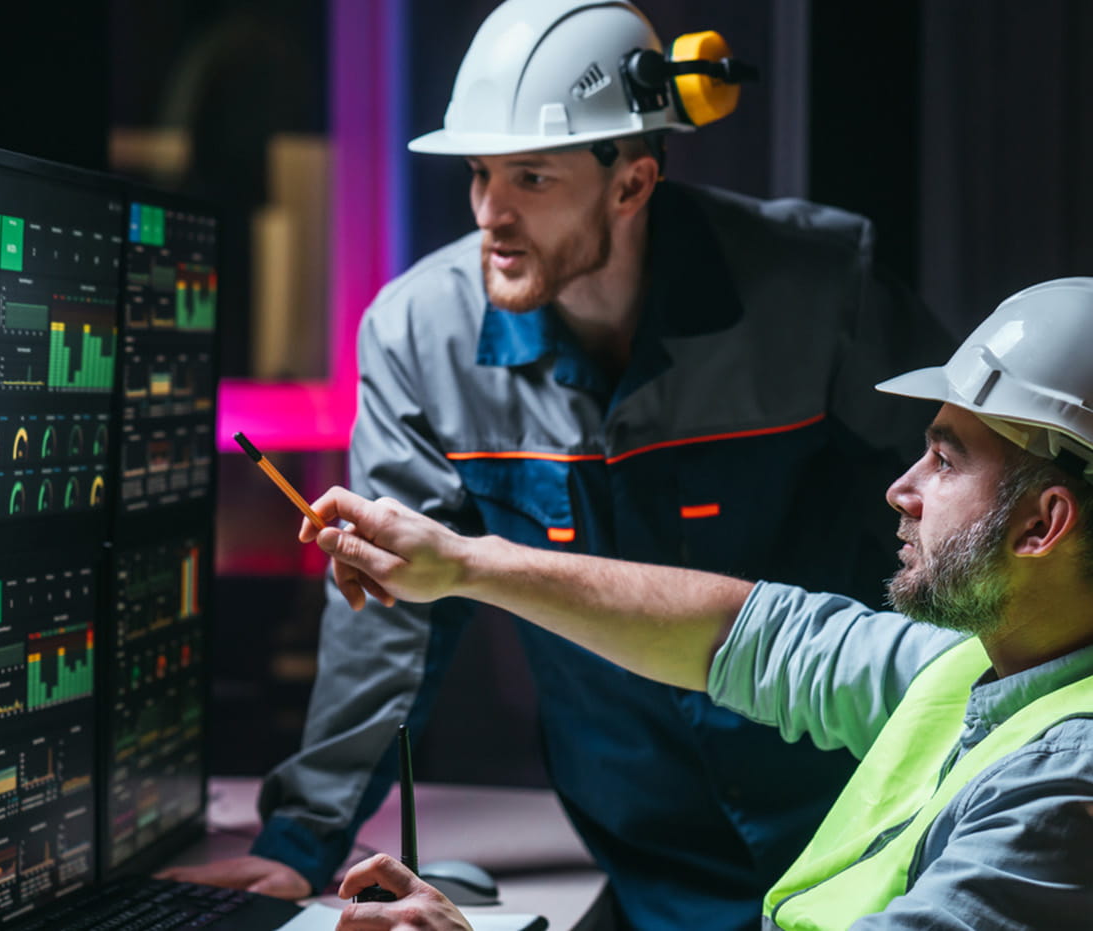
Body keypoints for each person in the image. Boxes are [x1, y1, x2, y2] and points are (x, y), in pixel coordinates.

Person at [166, 1, 950, 926]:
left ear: (632, 183)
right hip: (639, 842)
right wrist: (300, 840)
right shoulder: (421, 338)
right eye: (480, 172)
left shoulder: (820, 291)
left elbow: (962, 533)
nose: (490, 212)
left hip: (862, 823)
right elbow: (388, 615)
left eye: (531, 176)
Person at [308, 277, 1093, 928]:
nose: (903, 488)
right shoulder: (991, 664)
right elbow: (747, 634)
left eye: (945, 460)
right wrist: (463, 564)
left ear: (1041, 523)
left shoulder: (1063, 791)